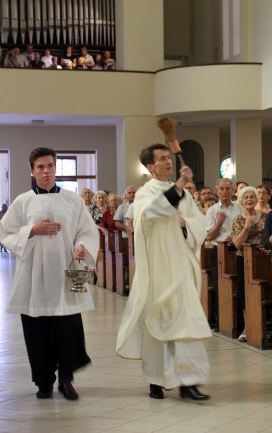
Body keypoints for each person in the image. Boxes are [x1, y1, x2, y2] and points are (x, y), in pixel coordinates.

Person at [0, 147, 98, 400]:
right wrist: (32, 230)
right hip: (34, 277)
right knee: (37, 331)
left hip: (65, 275)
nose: (46, 171)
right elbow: (5, 232)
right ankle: (43, 382)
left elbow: (87, 231)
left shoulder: (72, 200)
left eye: (50, 166)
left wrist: (81, 246)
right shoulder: (23, 201)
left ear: (56, 169)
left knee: (67, 330)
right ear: (32, 171)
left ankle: (66, 380)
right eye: (40, 167)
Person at [116, 144, 212, 401]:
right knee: (157, 323)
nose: (168, 162)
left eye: (169, 158)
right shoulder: (146, 193)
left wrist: (186, 224)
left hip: (180, 268)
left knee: (186, 323)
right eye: (162, 159)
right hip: (158, 270)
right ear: (150, 167)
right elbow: (152, 212)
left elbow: (199, 223)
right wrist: (180, 185)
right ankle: (155, 381)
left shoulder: (186, 196)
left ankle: (188, 381)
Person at [231, 186, 267, 342]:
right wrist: (247, 226)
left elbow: (269, 237)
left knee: (264, 291)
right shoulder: (238, 219)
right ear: (241, 201)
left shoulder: (266, 216)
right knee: (245, 294)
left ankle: (263, 326)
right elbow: (237, 244)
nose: (249, 199)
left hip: (263, 259)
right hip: (244, 259)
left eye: (252, 196)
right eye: (246, 197)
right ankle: (248, 327)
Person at [205, 178, 243, 301]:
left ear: (232, 190)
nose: (225, 191)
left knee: (238, 283)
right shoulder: (212, 210)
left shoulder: (240, 208)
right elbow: (209, 236)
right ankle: (222, 315)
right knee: (220, 283)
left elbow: (245, 228)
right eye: (221, 189)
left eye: (227, 189)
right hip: (219, 249)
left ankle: (239, 314)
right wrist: (219, 222)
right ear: (217, 191)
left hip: (237, 248)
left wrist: (236, 236)